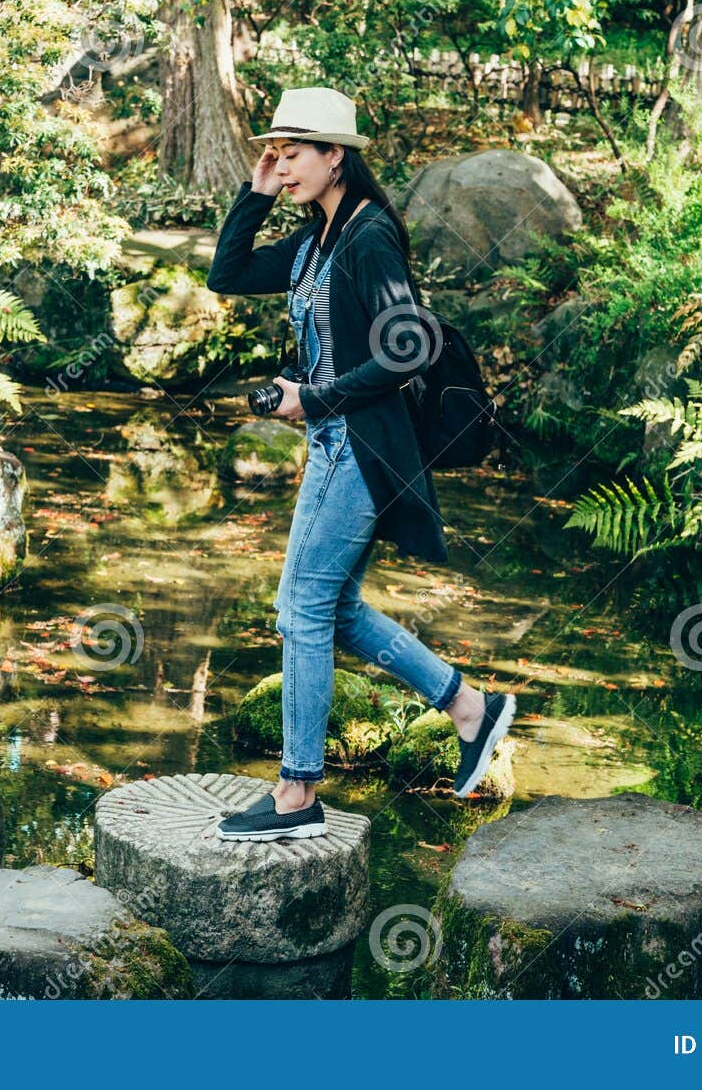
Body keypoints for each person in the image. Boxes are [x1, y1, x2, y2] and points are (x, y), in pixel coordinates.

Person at [205, 86, 514, 842]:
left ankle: (296, 791)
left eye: (294, 150)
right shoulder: (316, 239)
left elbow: (408, 348)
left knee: (300, 608)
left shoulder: (370, 236)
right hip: (334, 443)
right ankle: (470, 707)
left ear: (335, 154)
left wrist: (314, 397)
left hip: (362, 444)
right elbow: (228, 273)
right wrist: (253, 195)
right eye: (274, 151)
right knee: (331, 606)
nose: (281, 162)